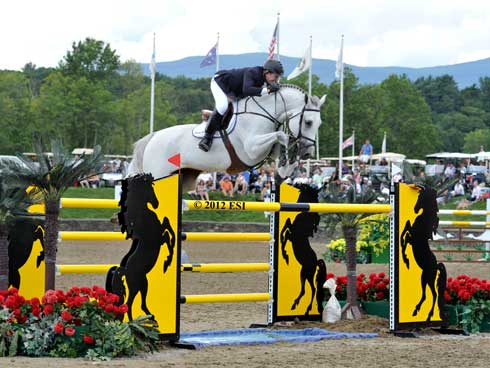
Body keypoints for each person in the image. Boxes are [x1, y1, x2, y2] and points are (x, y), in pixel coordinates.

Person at [198, 59, 285, 152]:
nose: (276, 80)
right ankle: (207, 138)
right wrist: (268, 90)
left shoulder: (265, 78)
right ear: (267, 72)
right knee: (223, 106)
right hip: (220, 83)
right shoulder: (253, 72)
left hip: (235, 92)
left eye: (278, 77)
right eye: (275, 76)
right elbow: (247, 90)